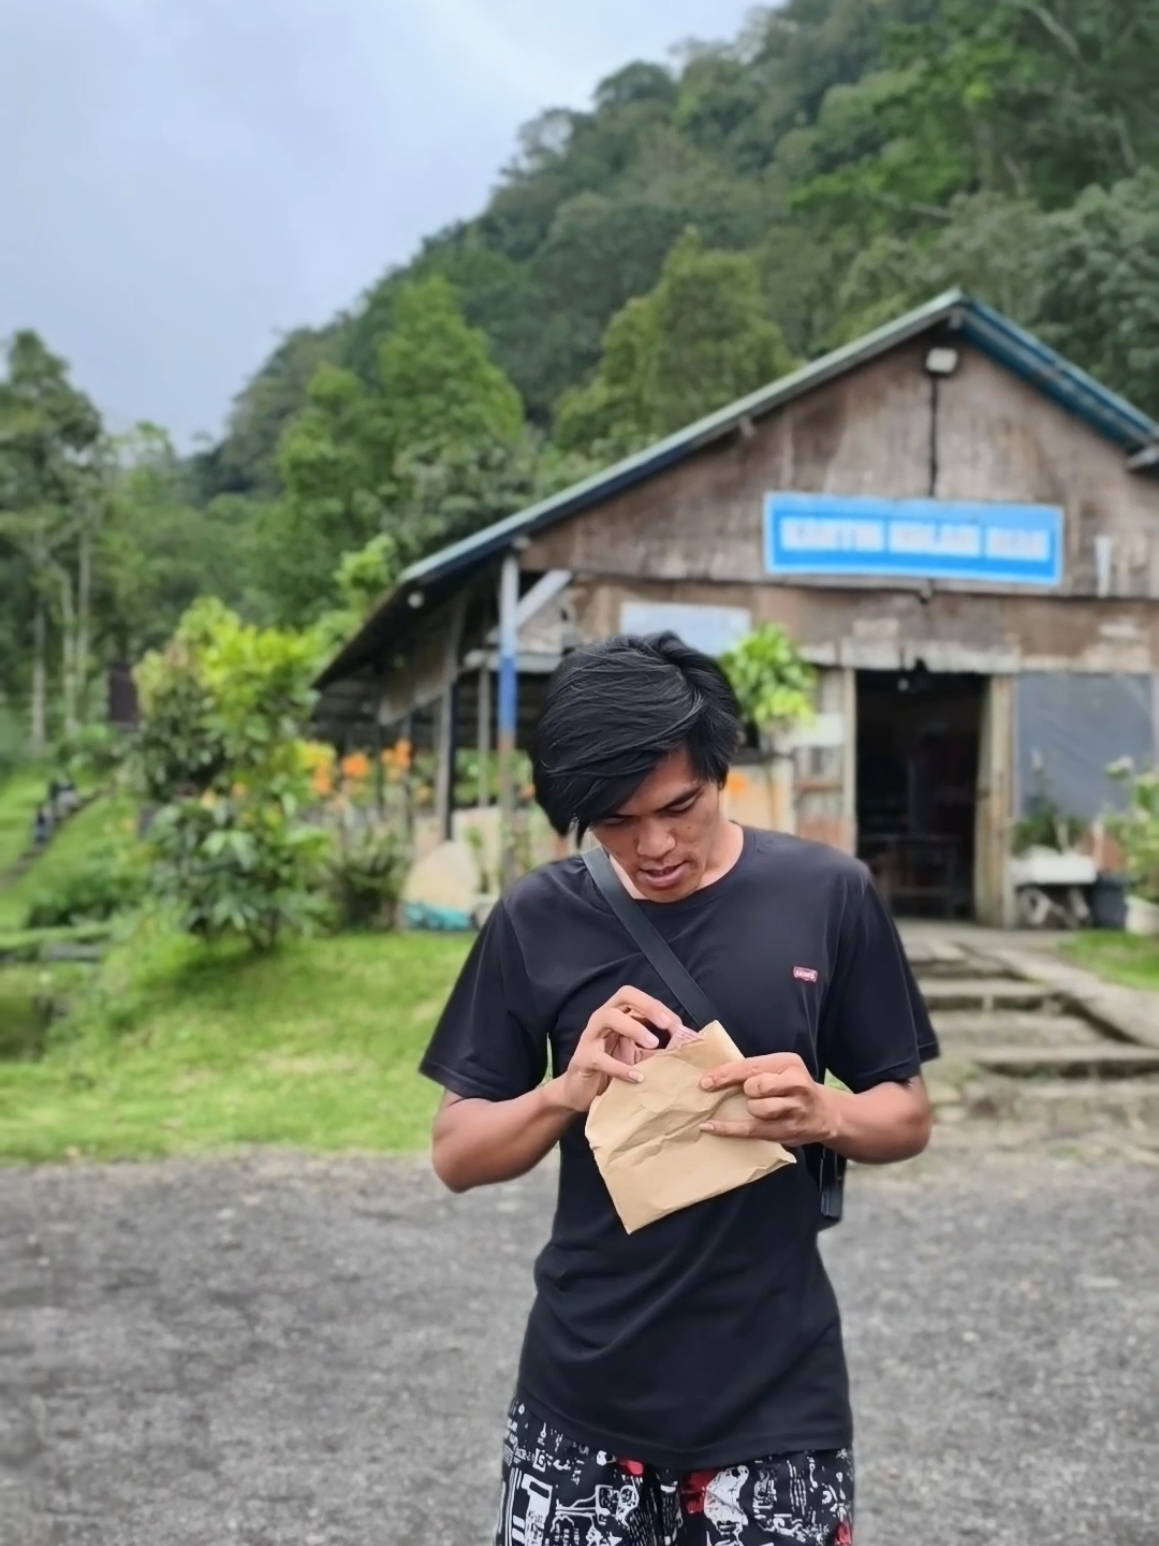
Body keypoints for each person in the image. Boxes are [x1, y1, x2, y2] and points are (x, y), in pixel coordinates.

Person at [420, 631, 939, 1546]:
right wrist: (561, 1093)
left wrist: (829, 1113)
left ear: (719, 766)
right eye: (614, 822)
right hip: (582, 1395)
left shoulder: (827, 894)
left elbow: (904, 1115)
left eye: (678, 808)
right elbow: (456, 1155)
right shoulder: (538, 917)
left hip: (778, 1397)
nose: (654, 846)